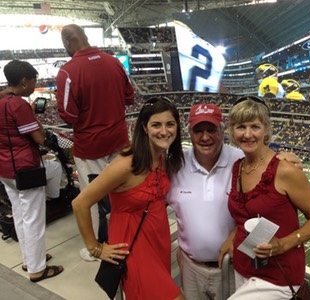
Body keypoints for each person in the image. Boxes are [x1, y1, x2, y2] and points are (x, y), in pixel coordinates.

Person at [166, 103, 303, 300]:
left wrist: (287, 159)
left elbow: (265, 199)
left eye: (212, 129)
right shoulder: (175, 164)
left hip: (232, 265)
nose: (205, 137)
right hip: (190, 267)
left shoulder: (242, 160)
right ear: (189, 133)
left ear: (223, 130)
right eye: (198, 130)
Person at [72, 96, 185, 300]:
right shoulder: (126, 164)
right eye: (156, 125)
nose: (164, 131)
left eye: (170, 124)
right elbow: (80, 203)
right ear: (144, 128)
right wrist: (95, 248)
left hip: (158, 240)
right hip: (132, 246)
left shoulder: (161, 157)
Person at [225, 95, 310, 299]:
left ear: (266, 130)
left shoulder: (284, 169)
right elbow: (244, 215)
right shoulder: (238, 167)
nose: (247, 134)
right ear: (232, 131)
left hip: (278, 274)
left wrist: (284, 244)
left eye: (255, 126)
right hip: (243, 264)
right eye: (240, 127)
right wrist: (230, 240)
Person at [56, 24, 135, 261]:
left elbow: (68, 115)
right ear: (86, 37)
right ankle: (124, 236)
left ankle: (97, 247)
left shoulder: (67, 72)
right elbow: (129, 98)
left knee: (90, 197)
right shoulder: (114, 62)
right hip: (119, 140)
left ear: (67, 43)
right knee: (121, 189)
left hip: (91, 146)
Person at [0, 60, 64, 282]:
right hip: (25, 167)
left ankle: (29, 259)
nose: (34, 85)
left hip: (5, 168)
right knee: (34, 218)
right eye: (33, 80)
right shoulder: (18, 104)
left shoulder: (1, 100)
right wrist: (35, 120)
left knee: (20, 213)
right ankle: (37, 269)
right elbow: (38, 138)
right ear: (24, 80)